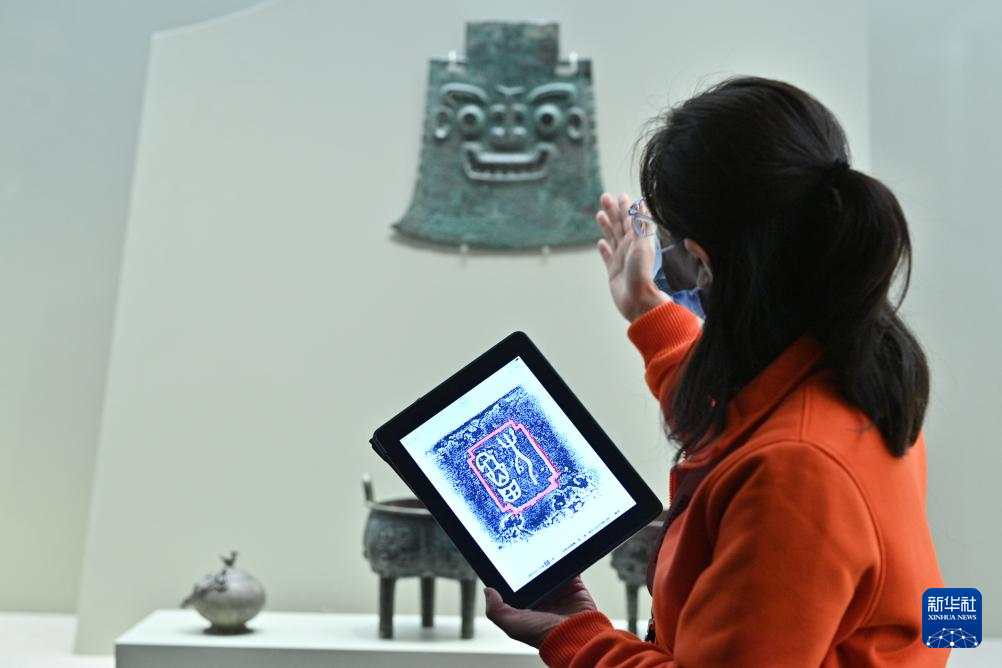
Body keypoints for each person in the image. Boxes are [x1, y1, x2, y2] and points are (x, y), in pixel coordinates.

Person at [484, 77, 947, 667]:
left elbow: (765, 451)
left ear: (702, 262)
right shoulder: (850, 367)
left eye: (671, 246)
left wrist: (574, 636)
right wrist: (649, 310)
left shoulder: (795, 471)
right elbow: (739, 420)